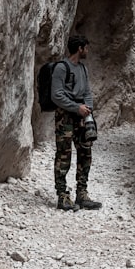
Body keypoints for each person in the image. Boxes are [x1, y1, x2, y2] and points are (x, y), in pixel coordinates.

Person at [50, 34, 102, 211]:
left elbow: (87, 91)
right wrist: (76, 107)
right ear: (80, 48)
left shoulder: (83, 69)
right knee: (64, 154)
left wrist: (87, 109)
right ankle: (62, 195)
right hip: (65, 116)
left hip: (81, 115)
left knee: (85, 152)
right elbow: (56, 95)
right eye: (86, 48)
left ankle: (82, 194)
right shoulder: (61, 68)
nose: (87, 51)